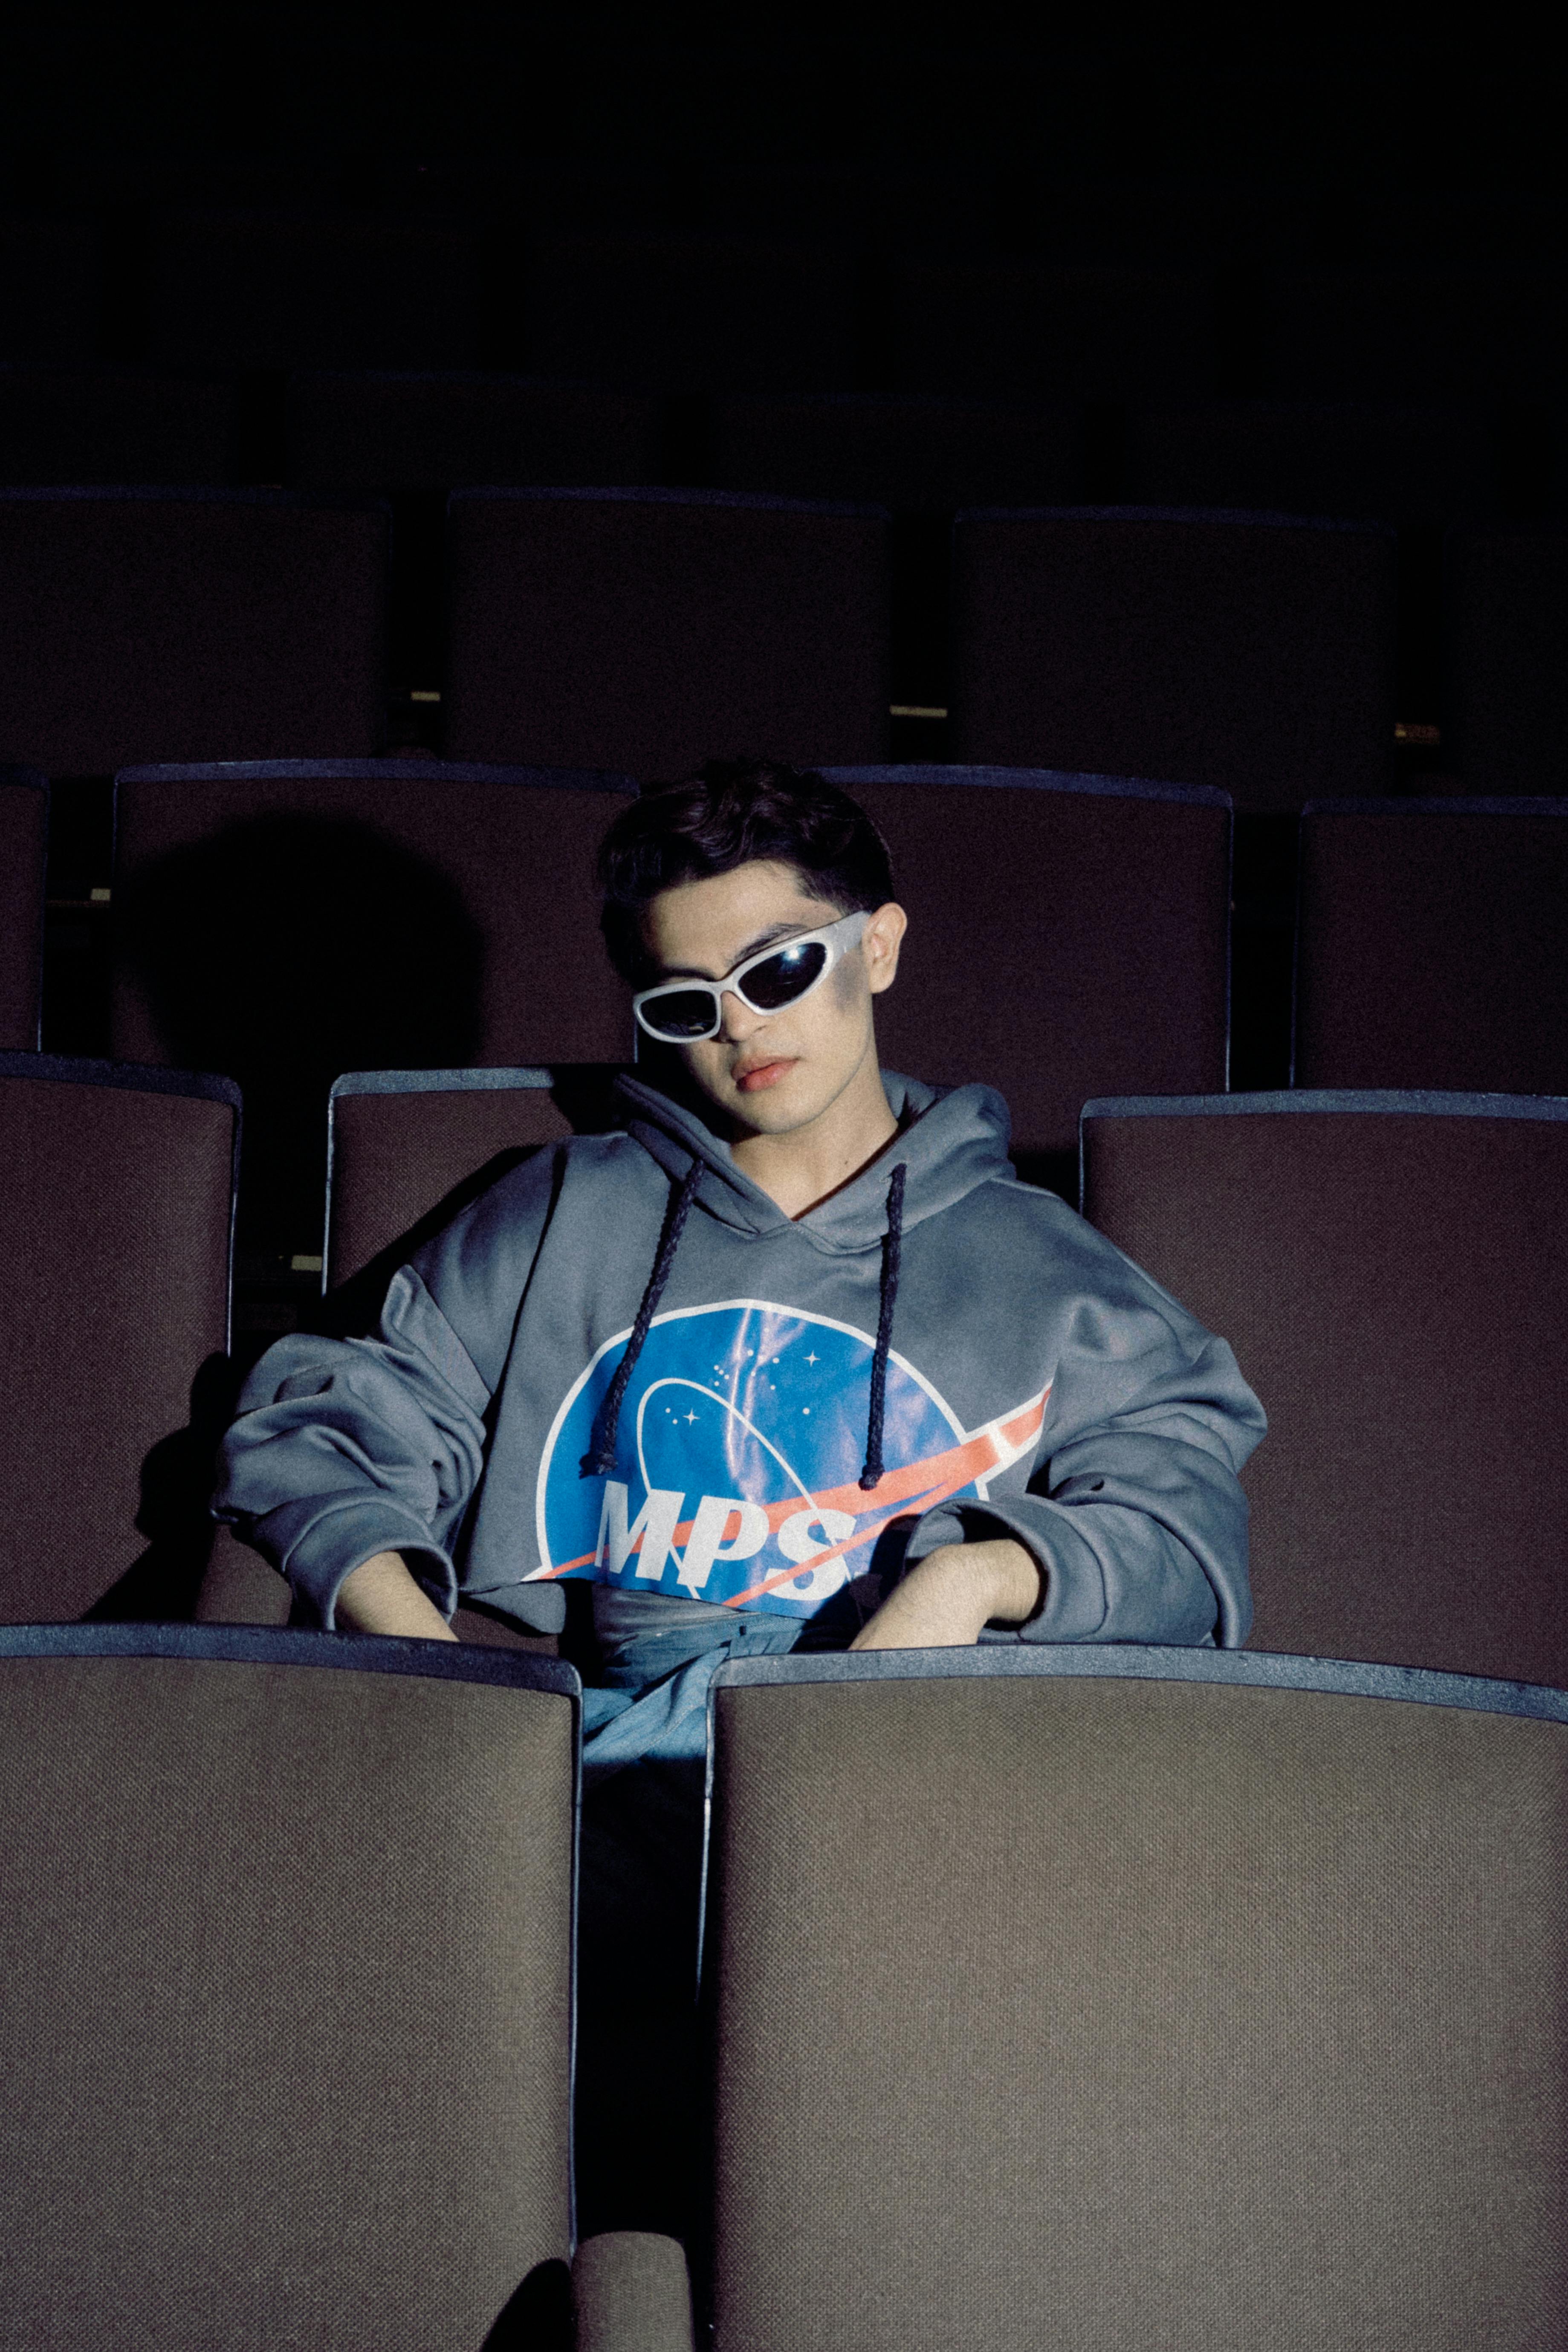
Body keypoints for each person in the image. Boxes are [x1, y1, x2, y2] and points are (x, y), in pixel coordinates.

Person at [215, 756, 1266, 2233]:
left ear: (879, 947)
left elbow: (1180, 1512)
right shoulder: (562, 1209)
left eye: (781, 971)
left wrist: (968, 1580)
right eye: (687, 1003)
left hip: (913, 1792)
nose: (744, 1033)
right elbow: (325, 1421)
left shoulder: (1039, 1263)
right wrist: (431, 1673)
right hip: (609, 1785)